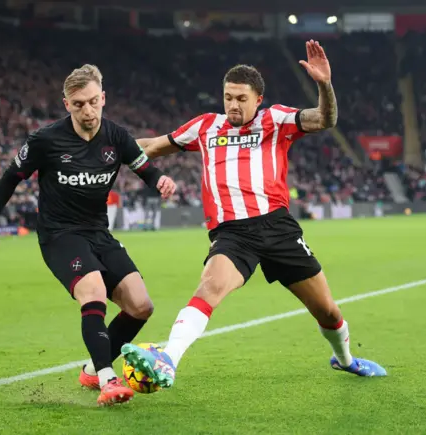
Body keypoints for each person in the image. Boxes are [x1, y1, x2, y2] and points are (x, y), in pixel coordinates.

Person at [122, 40, 387, 389]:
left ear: (258, 99)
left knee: (327, 311)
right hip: (233, 234)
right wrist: (104, 145)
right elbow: (151, 146)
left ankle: (346, 360)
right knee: (210, 286)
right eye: (228, 97)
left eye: (241, 99)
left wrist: (324, 84)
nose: (233, 105)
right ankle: (169, 359)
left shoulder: (275, 120)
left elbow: (325, 118)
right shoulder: (204, 127)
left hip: (278, 228)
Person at [0, 64, 177, 406]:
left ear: (103, 98)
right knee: (94, 290)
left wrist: (160, 180)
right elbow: (11, 176)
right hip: (59, 235)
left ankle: (90, 368)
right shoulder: (46, 140)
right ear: (66, 104)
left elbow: (143, 166)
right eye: (78, 103)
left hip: (98, 233)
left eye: (92, 101)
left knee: (141, 306)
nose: (87, 110)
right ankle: (106, 377)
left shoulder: (117, 136)